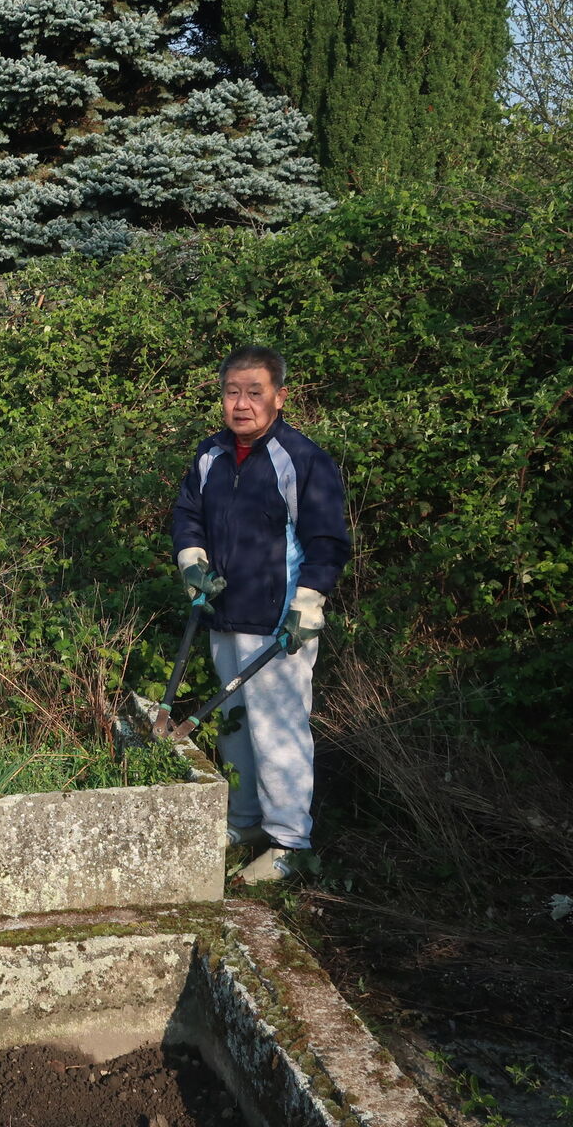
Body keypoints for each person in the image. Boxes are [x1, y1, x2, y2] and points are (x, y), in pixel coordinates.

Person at [170, 344, 350, 883]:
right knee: (235, 727)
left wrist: (309, 603)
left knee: (278, 729)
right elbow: (187, 516)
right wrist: (192, 561)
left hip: (279, 626)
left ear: (279, 397)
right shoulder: (210, 455)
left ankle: (291, 844)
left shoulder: (301, 459)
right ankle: (247, 823)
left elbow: (327, 540)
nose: (242, 404)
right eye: (232, 392)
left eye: (254, 392)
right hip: (222, 615)